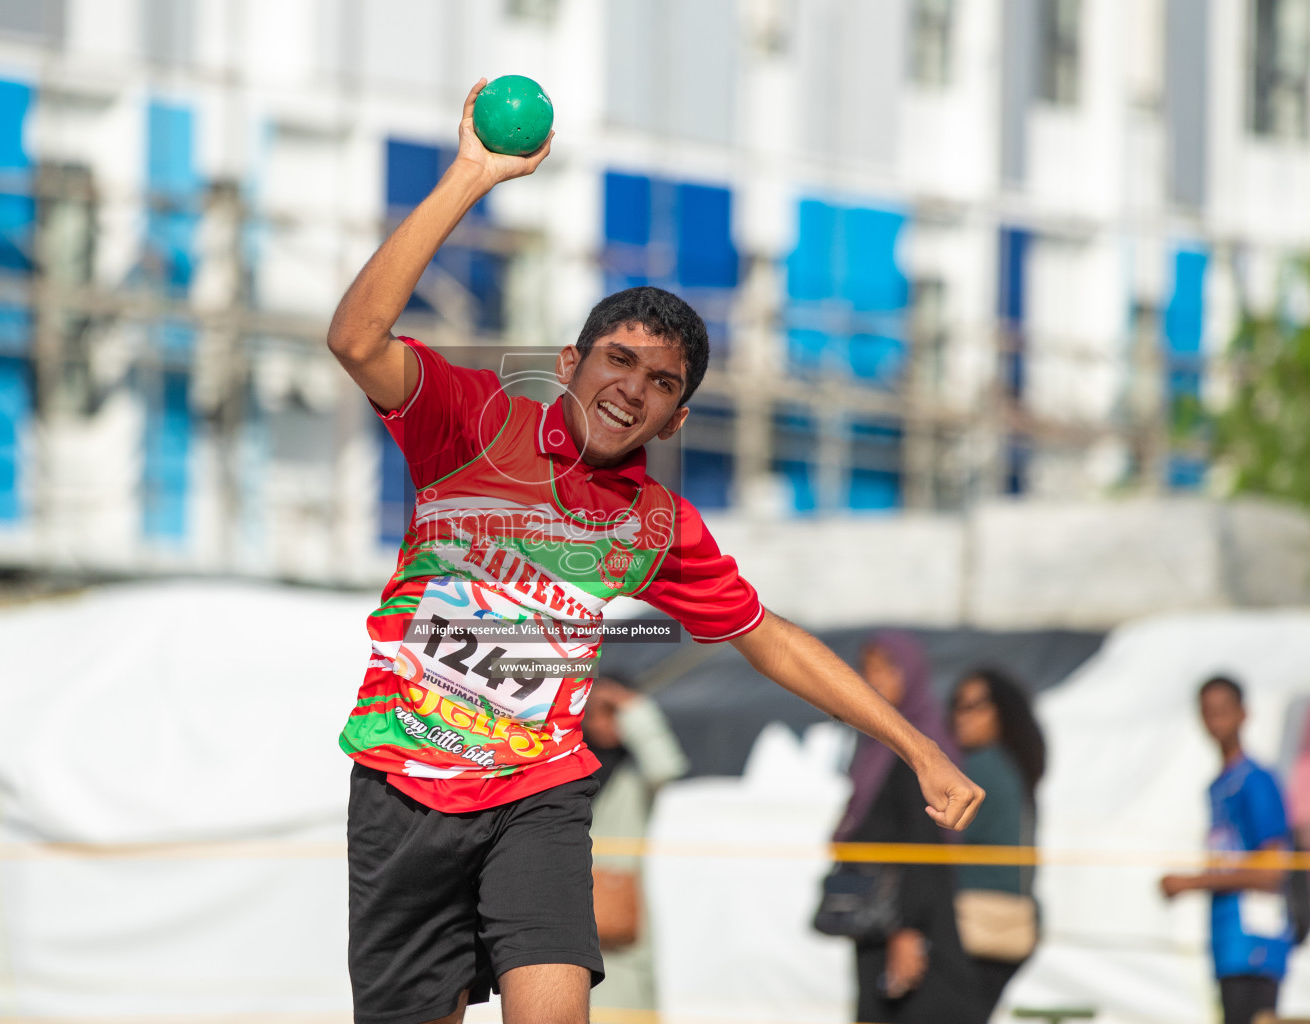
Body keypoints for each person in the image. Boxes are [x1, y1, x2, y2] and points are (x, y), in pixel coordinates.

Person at [328, 79, 984, 1024]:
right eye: (618, 361)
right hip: (400, 789)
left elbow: (772, 640)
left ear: (678, 416)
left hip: (535, 795)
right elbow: (355, 337)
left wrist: (918, 746)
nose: (633, 389)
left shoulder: (658, 525)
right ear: (570, 364)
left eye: (661, 382)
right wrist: (472, 174)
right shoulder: (471, 422)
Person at [838, 630, 976, 1024]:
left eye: (886, 669)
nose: (873, 679)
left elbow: (925, 845)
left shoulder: (924, 754)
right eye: (867, 669)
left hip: (908, 924)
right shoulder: (876, 749)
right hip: (875, 921)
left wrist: (909, 932)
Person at [1161, 676, 1294, 1024]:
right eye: (1209, 712)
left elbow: (1272, 870)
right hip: (1227, 939)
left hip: (1255, 939)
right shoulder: (1218, 785)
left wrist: (1191, 883)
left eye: (1224, 710)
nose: (1217, 720)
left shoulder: (1256, 780)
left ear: (1243, 714)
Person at [579, 676, 688, 1017]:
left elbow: (667, 766)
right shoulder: (572, 768)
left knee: (628, 997)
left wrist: (633, 707)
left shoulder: (634, 772)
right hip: (568, 899)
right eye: (595, 711)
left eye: (614, 712)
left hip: (622, 906)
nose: (604, 721)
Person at [951, 667, 1047, 1024]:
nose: (962, 715)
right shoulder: (1016, 765)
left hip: (974, 922)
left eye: (976, 705)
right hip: (1017, 922)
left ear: (1003, 712)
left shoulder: (979, 767)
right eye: (958, 705)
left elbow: (945, 842)